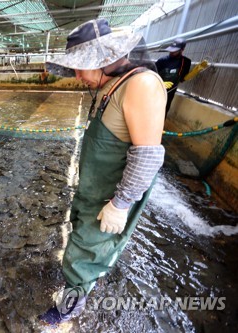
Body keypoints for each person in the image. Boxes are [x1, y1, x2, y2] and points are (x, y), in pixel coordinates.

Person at [40, 19, 166, 325]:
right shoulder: (111, 85)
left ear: (104, 59)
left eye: (82, 66)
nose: (78, 75)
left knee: (83, 256)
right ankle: (84, 284)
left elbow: (148, 155)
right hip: (93, 191)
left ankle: (71, 307)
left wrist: (121, 203)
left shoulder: (141, 85)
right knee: (84, 245)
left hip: (111, 196)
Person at [155, 38, 191, 116]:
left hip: (170, 92)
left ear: (182, 50)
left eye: (175, 51)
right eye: (171, 49)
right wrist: (161, 83)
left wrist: (194, 72)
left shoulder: (186, 62)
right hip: (157, 90)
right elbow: (152, 75)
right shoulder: (162, 61)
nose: (171, 52)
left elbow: (182, 79)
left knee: (164, 110)